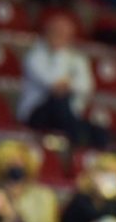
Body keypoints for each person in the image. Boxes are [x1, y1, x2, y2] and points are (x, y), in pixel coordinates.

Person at [17, 11, 104, 148]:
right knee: (59, 100)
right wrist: (59, 54)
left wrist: (67, 85)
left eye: (65, 34)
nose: (61, 37)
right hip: (37, 113)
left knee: (100, 131)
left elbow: (86, 87)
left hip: (67, 115)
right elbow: (53, 84)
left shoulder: (78, 59)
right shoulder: (35, 56)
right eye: (57, 32)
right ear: (48, 33)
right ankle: (77, 142)